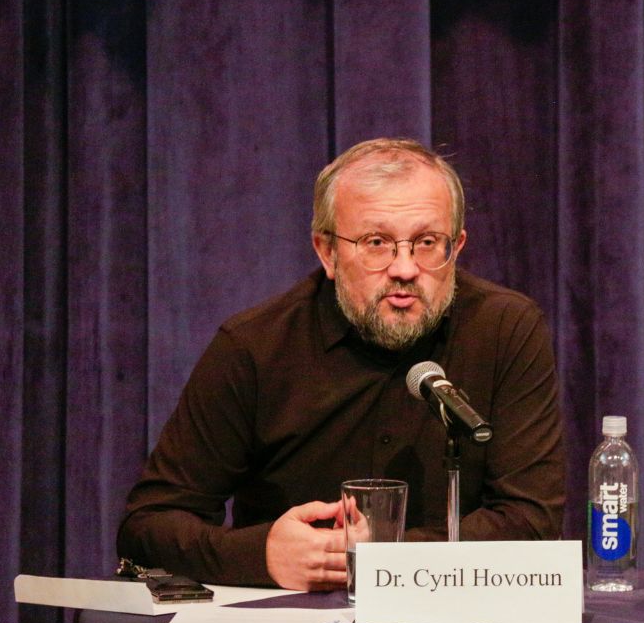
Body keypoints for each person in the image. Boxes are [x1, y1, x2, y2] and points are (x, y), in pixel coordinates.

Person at [118, 138, 565, 589]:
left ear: (458, 246)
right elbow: (147, 527)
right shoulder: (255, 347)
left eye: (427, 242)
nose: (405, 268)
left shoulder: (506, 330)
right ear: (327, 252)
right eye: (376, 242)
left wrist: (382, 559)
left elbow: (532, 521)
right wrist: (261, 555)